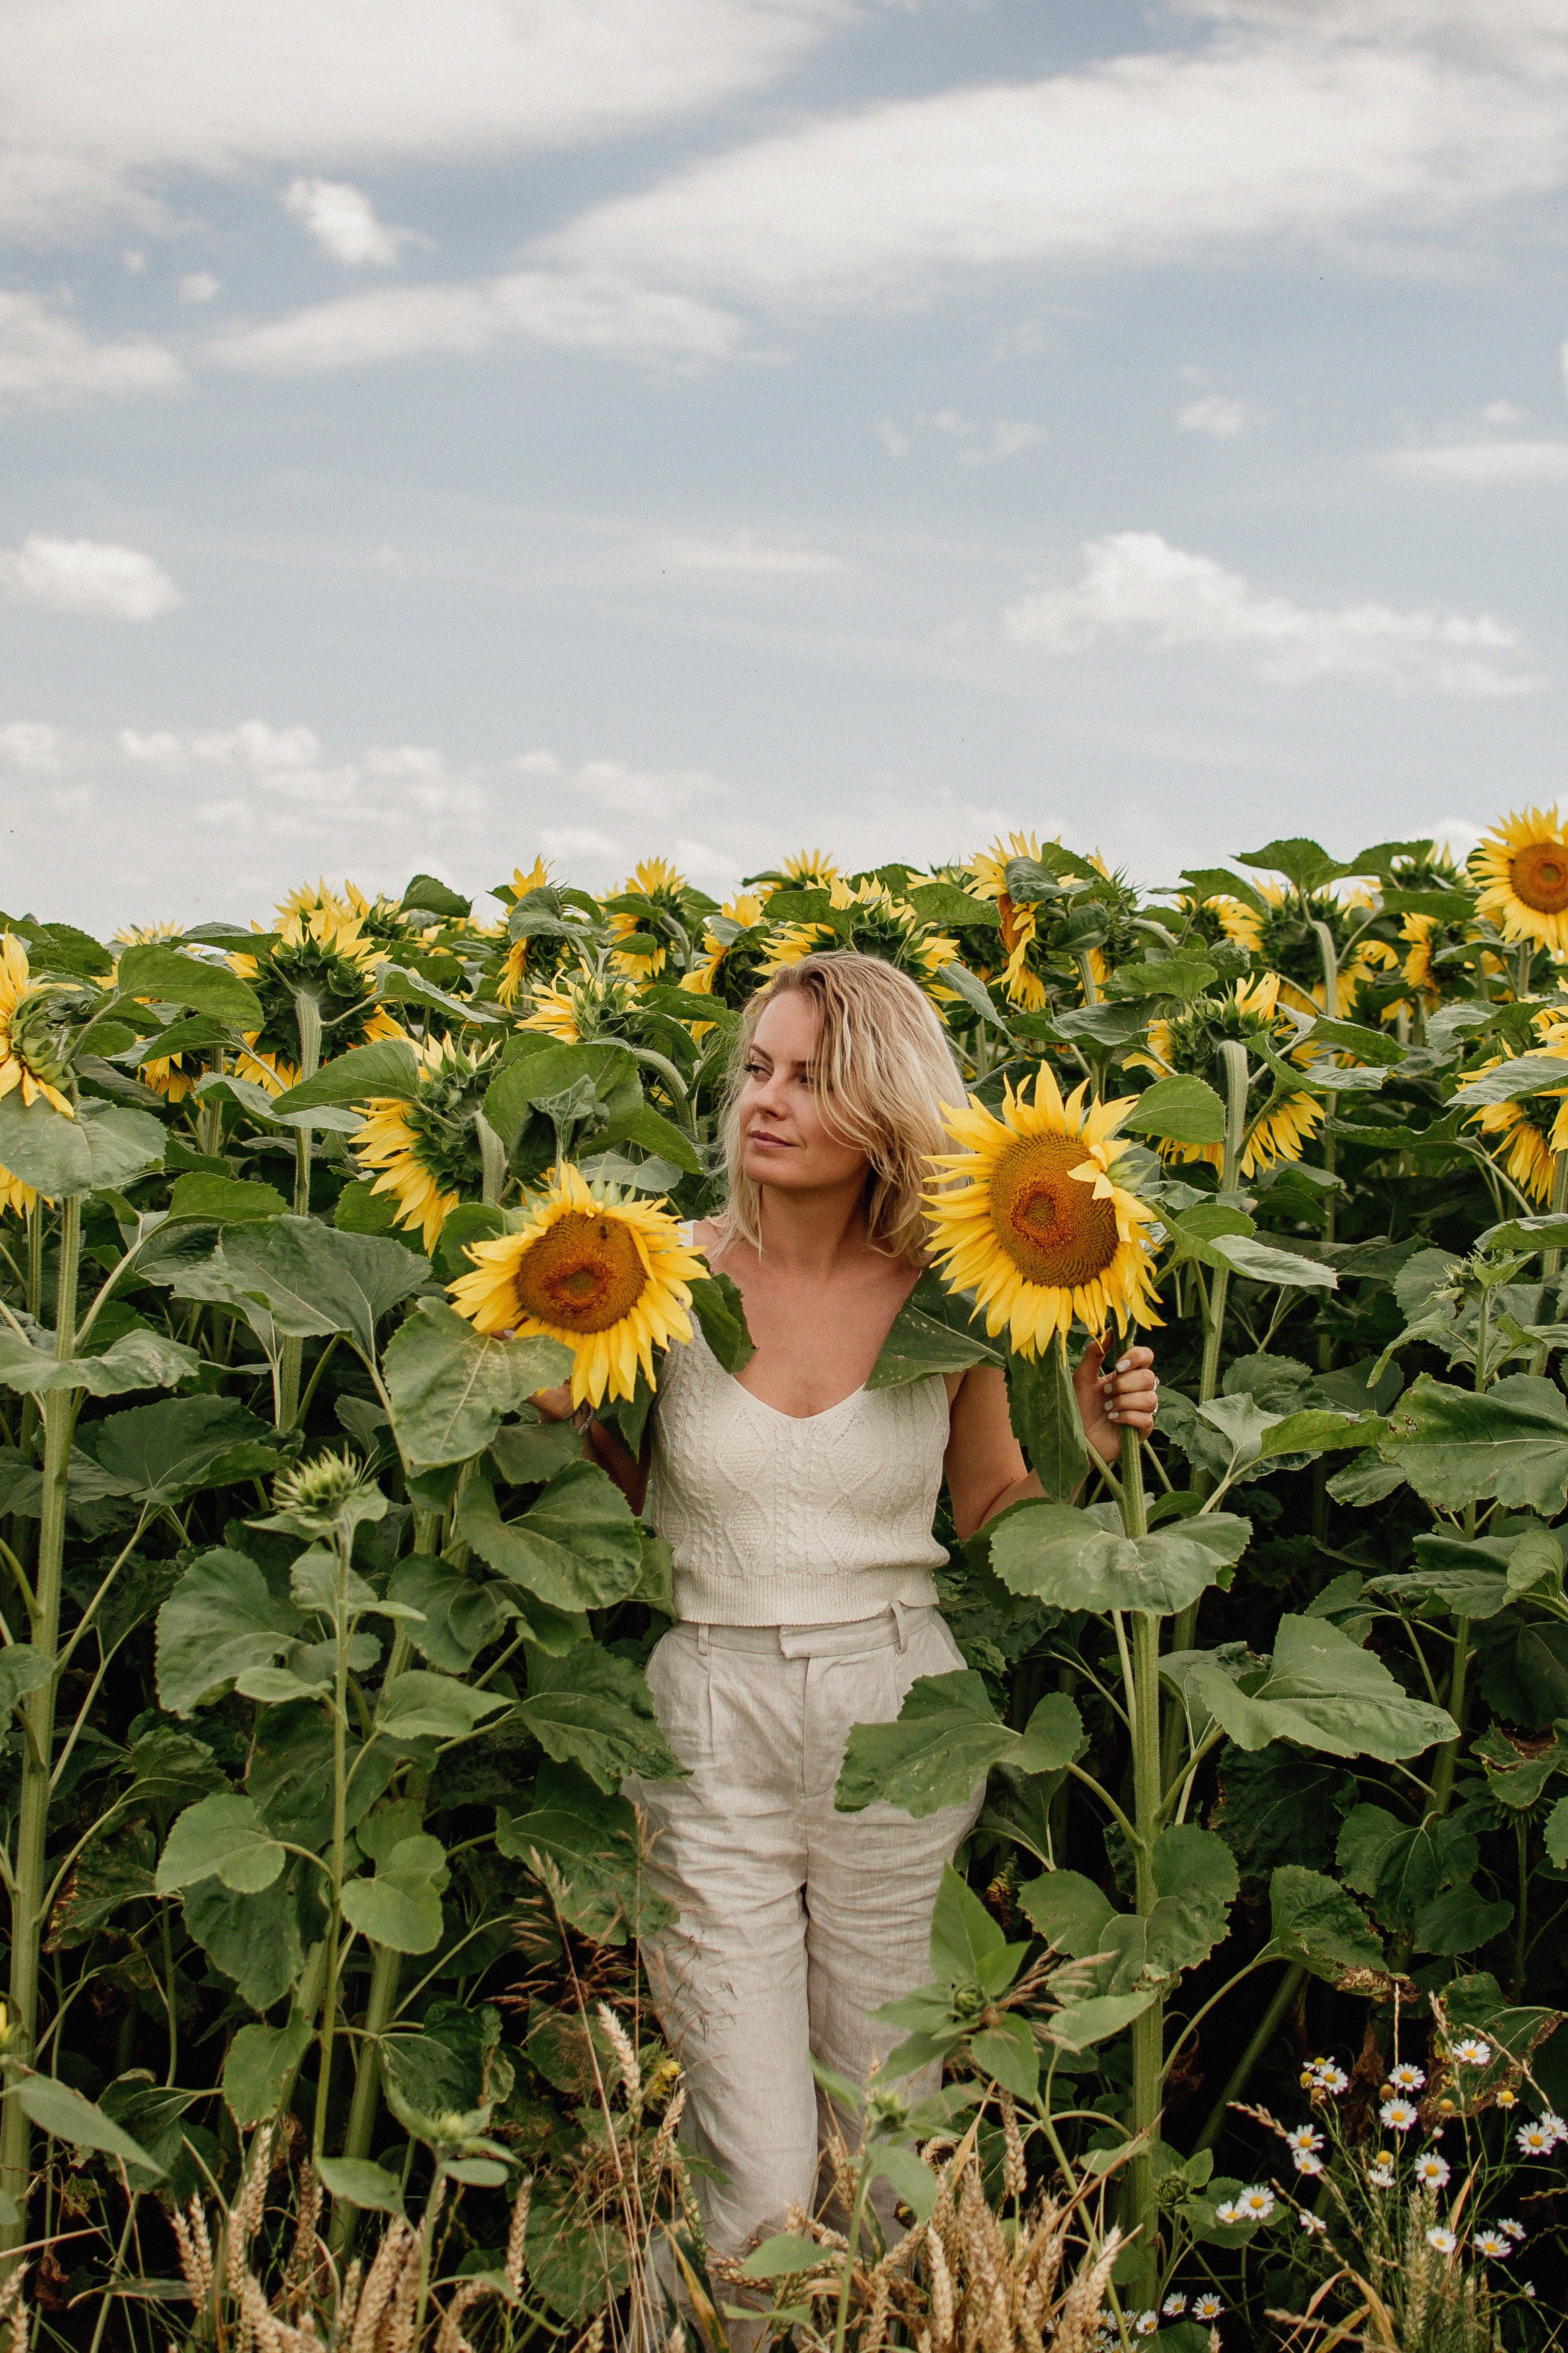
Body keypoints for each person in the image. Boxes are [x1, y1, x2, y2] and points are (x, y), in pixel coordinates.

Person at [537, 949, 1157, 2296]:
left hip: (897, 1714)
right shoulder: (657, 1275)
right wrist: (560, 1403)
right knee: (751, 2181)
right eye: (758, 1068)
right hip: (705, 1714)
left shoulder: (953, 1293)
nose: (766, 1100)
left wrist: (1097, 1448)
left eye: (810, 1078)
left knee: (887, 2143)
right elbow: (630, 1517)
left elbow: (995, 1499)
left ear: (881, 1109)